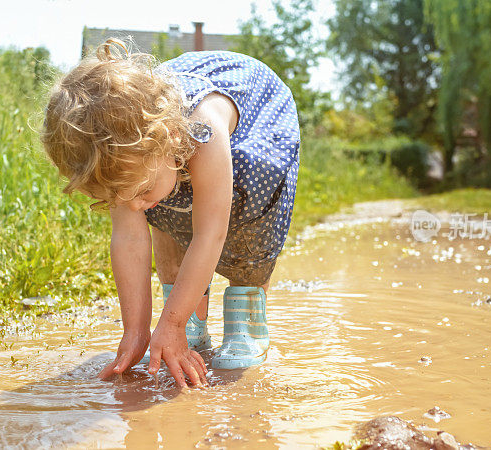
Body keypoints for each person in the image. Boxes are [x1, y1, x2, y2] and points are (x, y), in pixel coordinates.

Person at [39, 38, 300, 389]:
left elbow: (211, 234)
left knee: (245, 223)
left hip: (256, 122)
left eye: (140, 190)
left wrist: (170, 323)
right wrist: (137, 329)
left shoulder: (203, 131)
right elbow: (130, 237)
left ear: (170, 138)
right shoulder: (125, 155)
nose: (132, 206)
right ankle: (191, 320)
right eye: (120, 197)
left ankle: (246, 316)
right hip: (169, 148)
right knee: (163, 207)